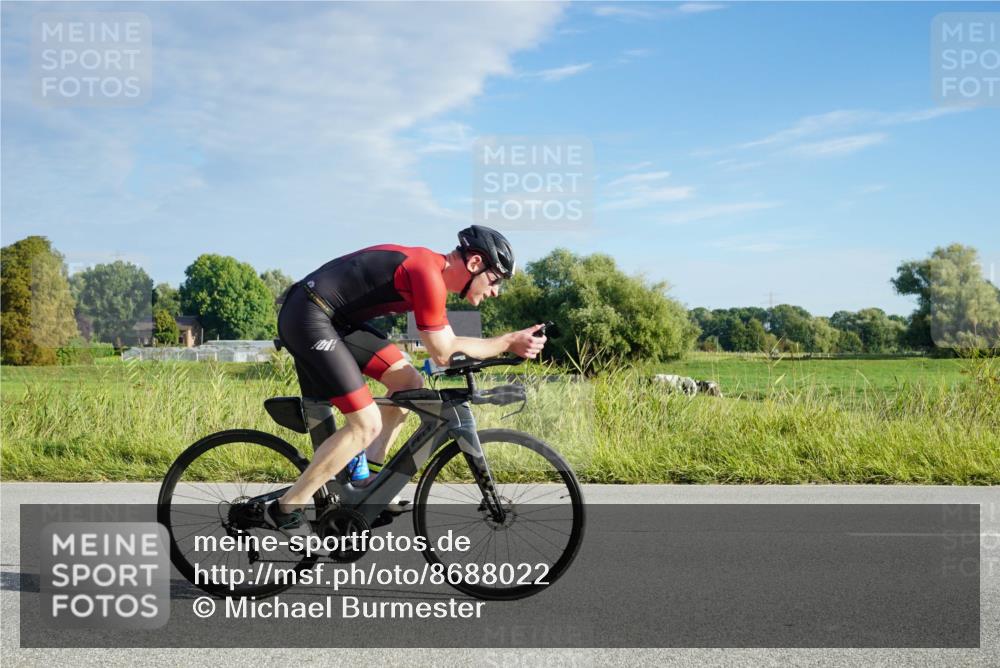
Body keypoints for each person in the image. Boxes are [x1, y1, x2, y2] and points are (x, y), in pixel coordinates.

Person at [266, 225, 547, 536]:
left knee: (409, 383)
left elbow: (448, 347)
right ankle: (285, 509)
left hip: (335, 321)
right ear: (475, 263)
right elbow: (443, 352)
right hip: (308, 314)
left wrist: (505, 346)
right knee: (365, 424)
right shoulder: (427, 273)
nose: (495, 291)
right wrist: (507, 342)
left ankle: (367, 481)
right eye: (494, 280)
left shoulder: (432, 273)